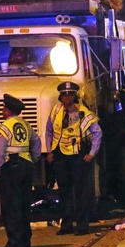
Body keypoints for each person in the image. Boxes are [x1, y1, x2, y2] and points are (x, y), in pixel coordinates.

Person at [46, 82, 102, 235]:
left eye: (70, 95)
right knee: (64, 191)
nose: (67, 98)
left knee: (80, 191)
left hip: (78, 156)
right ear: (60, 96)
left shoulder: (84, 113)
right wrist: (50, 151)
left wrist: (91, 153)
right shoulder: (56, 110)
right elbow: (49, 131)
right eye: (64, 95)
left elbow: (97, 133)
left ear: (74, 96)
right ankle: (66, 225)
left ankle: (82, 225)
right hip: (60, 156)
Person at [0, 94, 42, 247]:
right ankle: (25, 241)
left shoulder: (3, 128)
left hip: (11, 167)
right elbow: (36, 142)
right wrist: (33, 158)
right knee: (24, 204)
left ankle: (15, 244)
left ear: (7, 111)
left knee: (11, 206)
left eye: (4, 108)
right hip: (26, 165)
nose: (2, 111)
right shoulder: (26, 125)